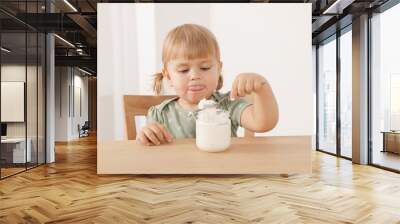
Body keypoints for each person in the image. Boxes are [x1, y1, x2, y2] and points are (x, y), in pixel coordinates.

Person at [137, 23, 279, 146]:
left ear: (218, 69)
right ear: (168, 76)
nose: (194, 76)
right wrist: (146, 136)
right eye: (183, 70)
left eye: (205, 68)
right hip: (178, 175)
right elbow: (150, 149)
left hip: (222, 174)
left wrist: (262, 88)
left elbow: (263, 124)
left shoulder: (228, 106)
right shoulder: (160, 114)